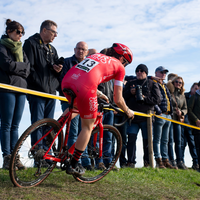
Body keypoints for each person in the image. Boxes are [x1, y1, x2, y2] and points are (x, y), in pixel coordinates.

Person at [61, 43, 134, 176]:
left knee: (76, 107)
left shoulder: (96, 55)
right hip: (85, 87)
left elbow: (88, 74)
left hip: (68, 80)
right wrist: (128, 111)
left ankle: (54, 128)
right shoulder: (120, 68)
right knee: (87, 127)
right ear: (122, 59)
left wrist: (99, 94)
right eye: (126, 63)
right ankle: (74, 164)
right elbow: (118, 99)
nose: (124, 66)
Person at [23, 20, 63, 155]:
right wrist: (41, 86)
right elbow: (29, 69)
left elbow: (56, 72)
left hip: (51, 93)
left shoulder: (52, 50)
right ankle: (38, 154)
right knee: (38, 123)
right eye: (54, 32)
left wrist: (58, 70)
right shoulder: (30, 43)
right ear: (44, 30)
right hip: (37, 91)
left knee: (48, 125)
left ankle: (47, 153)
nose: (56, 36)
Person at [0, 19, 30, 169]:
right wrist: (21, 68)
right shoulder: (1, 46)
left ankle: (15, 156)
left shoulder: (21, 48)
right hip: (6, 88)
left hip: (21, 89)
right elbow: (6, 64)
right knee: (6, 124)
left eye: (22, 33)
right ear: (9, 32)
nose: (20, 35)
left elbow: (28, 68)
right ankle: (7, 157)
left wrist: (17, 68)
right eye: (18, 32)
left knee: (16, 125)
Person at [58, 41, 91, 169]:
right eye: (78, 48)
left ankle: (83, 161)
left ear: (87, 52)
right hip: (69, 100)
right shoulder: (67, 62)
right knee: (73, 130)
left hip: (83, 102)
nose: (80, 51)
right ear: (74, 49)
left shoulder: (89, 65)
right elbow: (63, 81)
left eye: (83, 49)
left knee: (84, 131)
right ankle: (71, 161)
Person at [123, 64, 161, 168]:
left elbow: (157, 100)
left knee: (147, 141)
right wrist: (130, 92)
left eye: (142, 71)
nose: (139, 72)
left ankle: (147, 163)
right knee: (131, 140)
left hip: (146, 118)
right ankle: (131, 162)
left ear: (146, 73)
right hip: (133, 117)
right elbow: (122, 96)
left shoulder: (152, 84)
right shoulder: (131, 83)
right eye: (137, 71)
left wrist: (144, 98)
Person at [153, 66, 177, 169]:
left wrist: (171, 113)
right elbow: (153, 100)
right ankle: (159, 161)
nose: (163, 74)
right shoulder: (153, 84)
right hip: (160, 114)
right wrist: (158, 111)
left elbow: (169, 100)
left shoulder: (165, 86)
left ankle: (165, 160)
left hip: (168, 115)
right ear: (156, 73)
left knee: (165, 140)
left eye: (165, 73)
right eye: (161, 72)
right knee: (157, 139)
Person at [167, 76, 188, 169]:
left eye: (180, 83)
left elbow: (185, 108)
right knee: (170, 140)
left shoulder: (182, 96)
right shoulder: (169, 92)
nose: (178, 84)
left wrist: (182, 112)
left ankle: (180, 161)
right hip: (170, 118)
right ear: (173, 82)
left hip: (178, 120)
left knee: (178, 141)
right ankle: (172, 161)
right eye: (176, 82)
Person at [181, 82, 199, 170]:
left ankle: (196, 164)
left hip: (193, 126)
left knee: (194, 145)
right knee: (184, 144)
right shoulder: (189, 96)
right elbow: (188, 110)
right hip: (188, 125)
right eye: (195, 88)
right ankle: (182, 162)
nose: (196, 90)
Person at [188, 81, 200, 172]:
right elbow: (189, 110)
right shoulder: (194, 97)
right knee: (198, 147)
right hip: (197, 128)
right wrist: (196, 120)